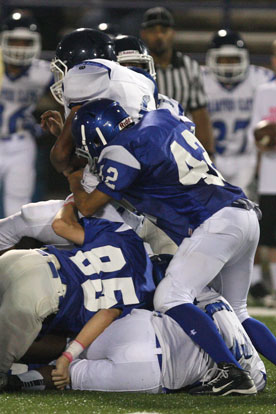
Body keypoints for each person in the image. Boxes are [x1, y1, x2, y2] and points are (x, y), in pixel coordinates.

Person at [67, 97, 276, 396]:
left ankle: (230, 372)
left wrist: (73, 178)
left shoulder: (121, 149)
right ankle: (234, 370)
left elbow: (87, 206)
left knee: (170, 296)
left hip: (214, 222)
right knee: (238, 311)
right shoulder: (162, 118)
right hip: (242, 212)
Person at [1, 287, 266, 394]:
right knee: (67, 377)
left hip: (146, 330)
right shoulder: (257, 373)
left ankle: (6, 354)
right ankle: (14, 382)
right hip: (153, 375)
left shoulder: (223, 304)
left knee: (69, 344)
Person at [0, 203, 155, 381]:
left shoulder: (125, 236)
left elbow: (60, 225)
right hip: (41, 294)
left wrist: (71, 203)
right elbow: (106, 314)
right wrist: (68, 356)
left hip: (27, 259)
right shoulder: (144, 295)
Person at [202, 28, 274, 197]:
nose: (229, 64)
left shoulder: (261, 79)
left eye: (233, 59)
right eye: (223, 59)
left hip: (248, 158)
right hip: (211, 157)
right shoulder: (199, 80)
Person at [0, 10, 54, 217]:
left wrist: (47, 125)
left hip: (20, 142)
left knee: (17, 207)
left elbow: (68, 101)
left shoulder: (43, 72)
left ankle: (11, 250)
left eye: (25, 42)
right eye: (14, 41)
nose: (19, 48)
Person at [140, 6, 214, 156]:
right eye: (153, 30)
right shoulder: (136, 67)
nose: (159, 36)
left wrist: (208, 154)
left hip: (180, 148)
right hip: (142, 145)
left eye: (164, 30)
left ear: (173, 33)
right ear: (143, 34)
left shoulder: (189, 67)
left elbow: (200, 115)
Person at [247, 39, 276, 305]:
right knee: (268, 236)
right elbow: (257, 132)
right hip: (270, 173)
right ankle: (265, 287)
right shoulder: (266, 90)